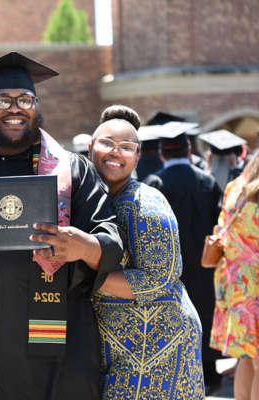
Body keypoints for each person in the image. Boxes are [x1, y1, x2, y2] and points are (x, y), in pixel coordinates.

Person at [0, 52, 123, 399]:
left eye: (25, 99)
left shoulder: (71, 170)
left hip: (55, 348)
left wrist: (82, 246)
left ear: (37, 105)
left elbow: (111, 243)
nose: (15, 108)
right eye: (3, 100)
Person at [90, 109, 205, 399]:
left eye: (126, 147)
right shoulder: (101, 197)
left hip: (158, 349)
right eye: (107, 143)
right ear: (90, 148)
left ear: (138, 155)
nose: (115, 153)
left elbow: (157, 279)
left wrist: (79, 274)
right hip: (125, 350)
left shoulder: (146, 204)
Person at [144, 121, 223, 391]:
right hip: (203, 264)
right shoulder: (207, 181)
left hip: (169, 266)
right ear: (189, 149)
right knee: (204, 309)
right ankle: (209, 373)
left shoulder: (155, 183)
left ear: (162, 152)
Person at [209, 152, 259, 400]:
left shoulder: (234, 188)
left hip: (235, 283)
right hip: (256, 284)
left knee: (246, 358)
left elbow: (220, 232)